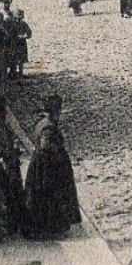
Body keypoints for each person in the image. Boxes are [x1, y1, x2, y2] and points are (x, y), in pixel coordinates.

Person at [23, 96, 82, 240]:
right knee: (51, 195)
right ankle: (50, 229)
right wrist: (57, 150)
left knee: (43, 195)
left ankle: (47, 227)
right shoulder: (49, 126)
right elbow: (45, 145)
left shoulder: (42, 122)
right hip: (48, 166)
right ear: (55, 110)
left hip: (41, 164)